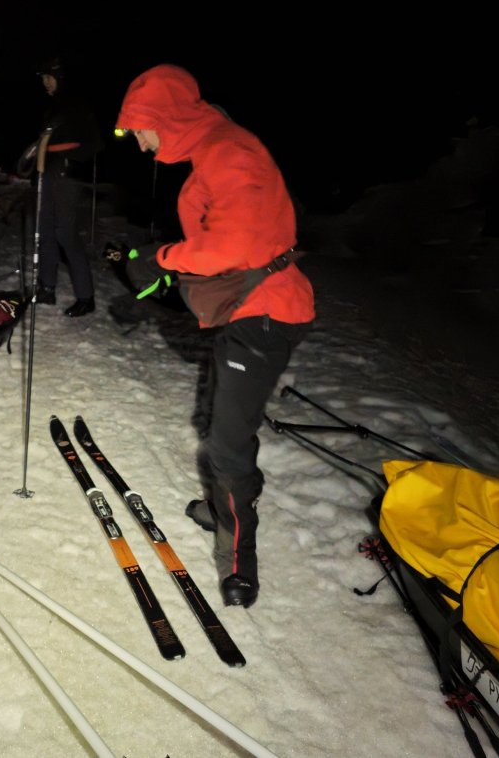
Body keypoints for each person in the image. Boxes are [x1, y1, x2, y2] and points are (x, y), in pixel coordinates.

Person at [116, 64, 315, 608]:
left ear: (164, 117)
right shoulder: (213, 149)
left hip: (266, 312)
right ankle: (225, 501)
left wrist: (161, 259)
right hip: (248, 307)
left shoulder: (230, 151)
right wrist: (160, 270)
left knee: (227, 441)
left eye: (137, 127)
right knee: (224, 417)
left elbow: (233, 243)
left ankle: (238, 559)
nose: (135, 140)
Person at [32, 56, 102, 317]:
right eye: (43, 80)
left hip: (66, 177)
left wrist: (70, 162)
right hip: (47, 173)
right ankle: (46, 287)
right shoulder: (51, 108)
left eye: (48, 79)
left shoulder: (79, 107)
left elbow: (94, 144)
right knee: (45, 232)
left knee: (66, 234)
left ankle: (86, 296)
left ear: (60, 79)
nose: (45, 84)